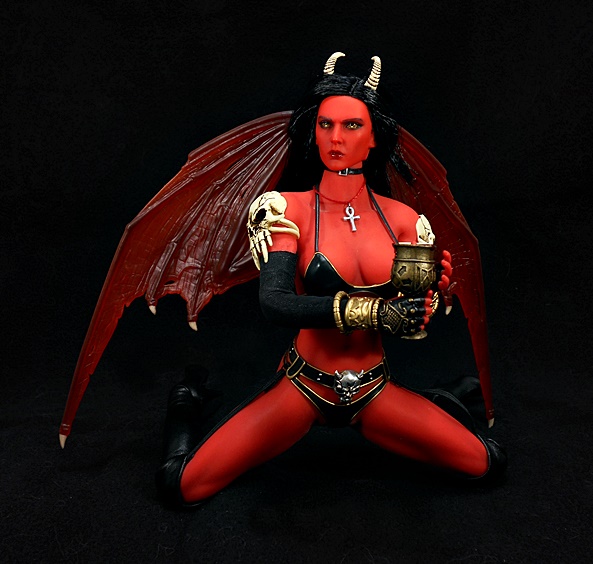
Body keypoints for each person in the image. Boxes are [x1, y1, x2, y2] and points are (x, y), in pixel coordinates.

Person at [155, 53, 506, 508]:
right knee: (181, 485)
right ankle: (186, 404)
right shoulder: (288, 209)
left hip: (373, 388)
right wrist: (376, 312)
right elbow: (275, 302)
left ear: (374, 137)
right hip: (304, 387)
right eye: (326, 124)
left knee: (488, 463)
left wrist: (430, 294)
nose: (336, 137)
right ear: (314, 131)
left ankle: (438, 400)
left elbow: (411, 319)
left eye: (352, 125)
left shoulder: (403, 220)